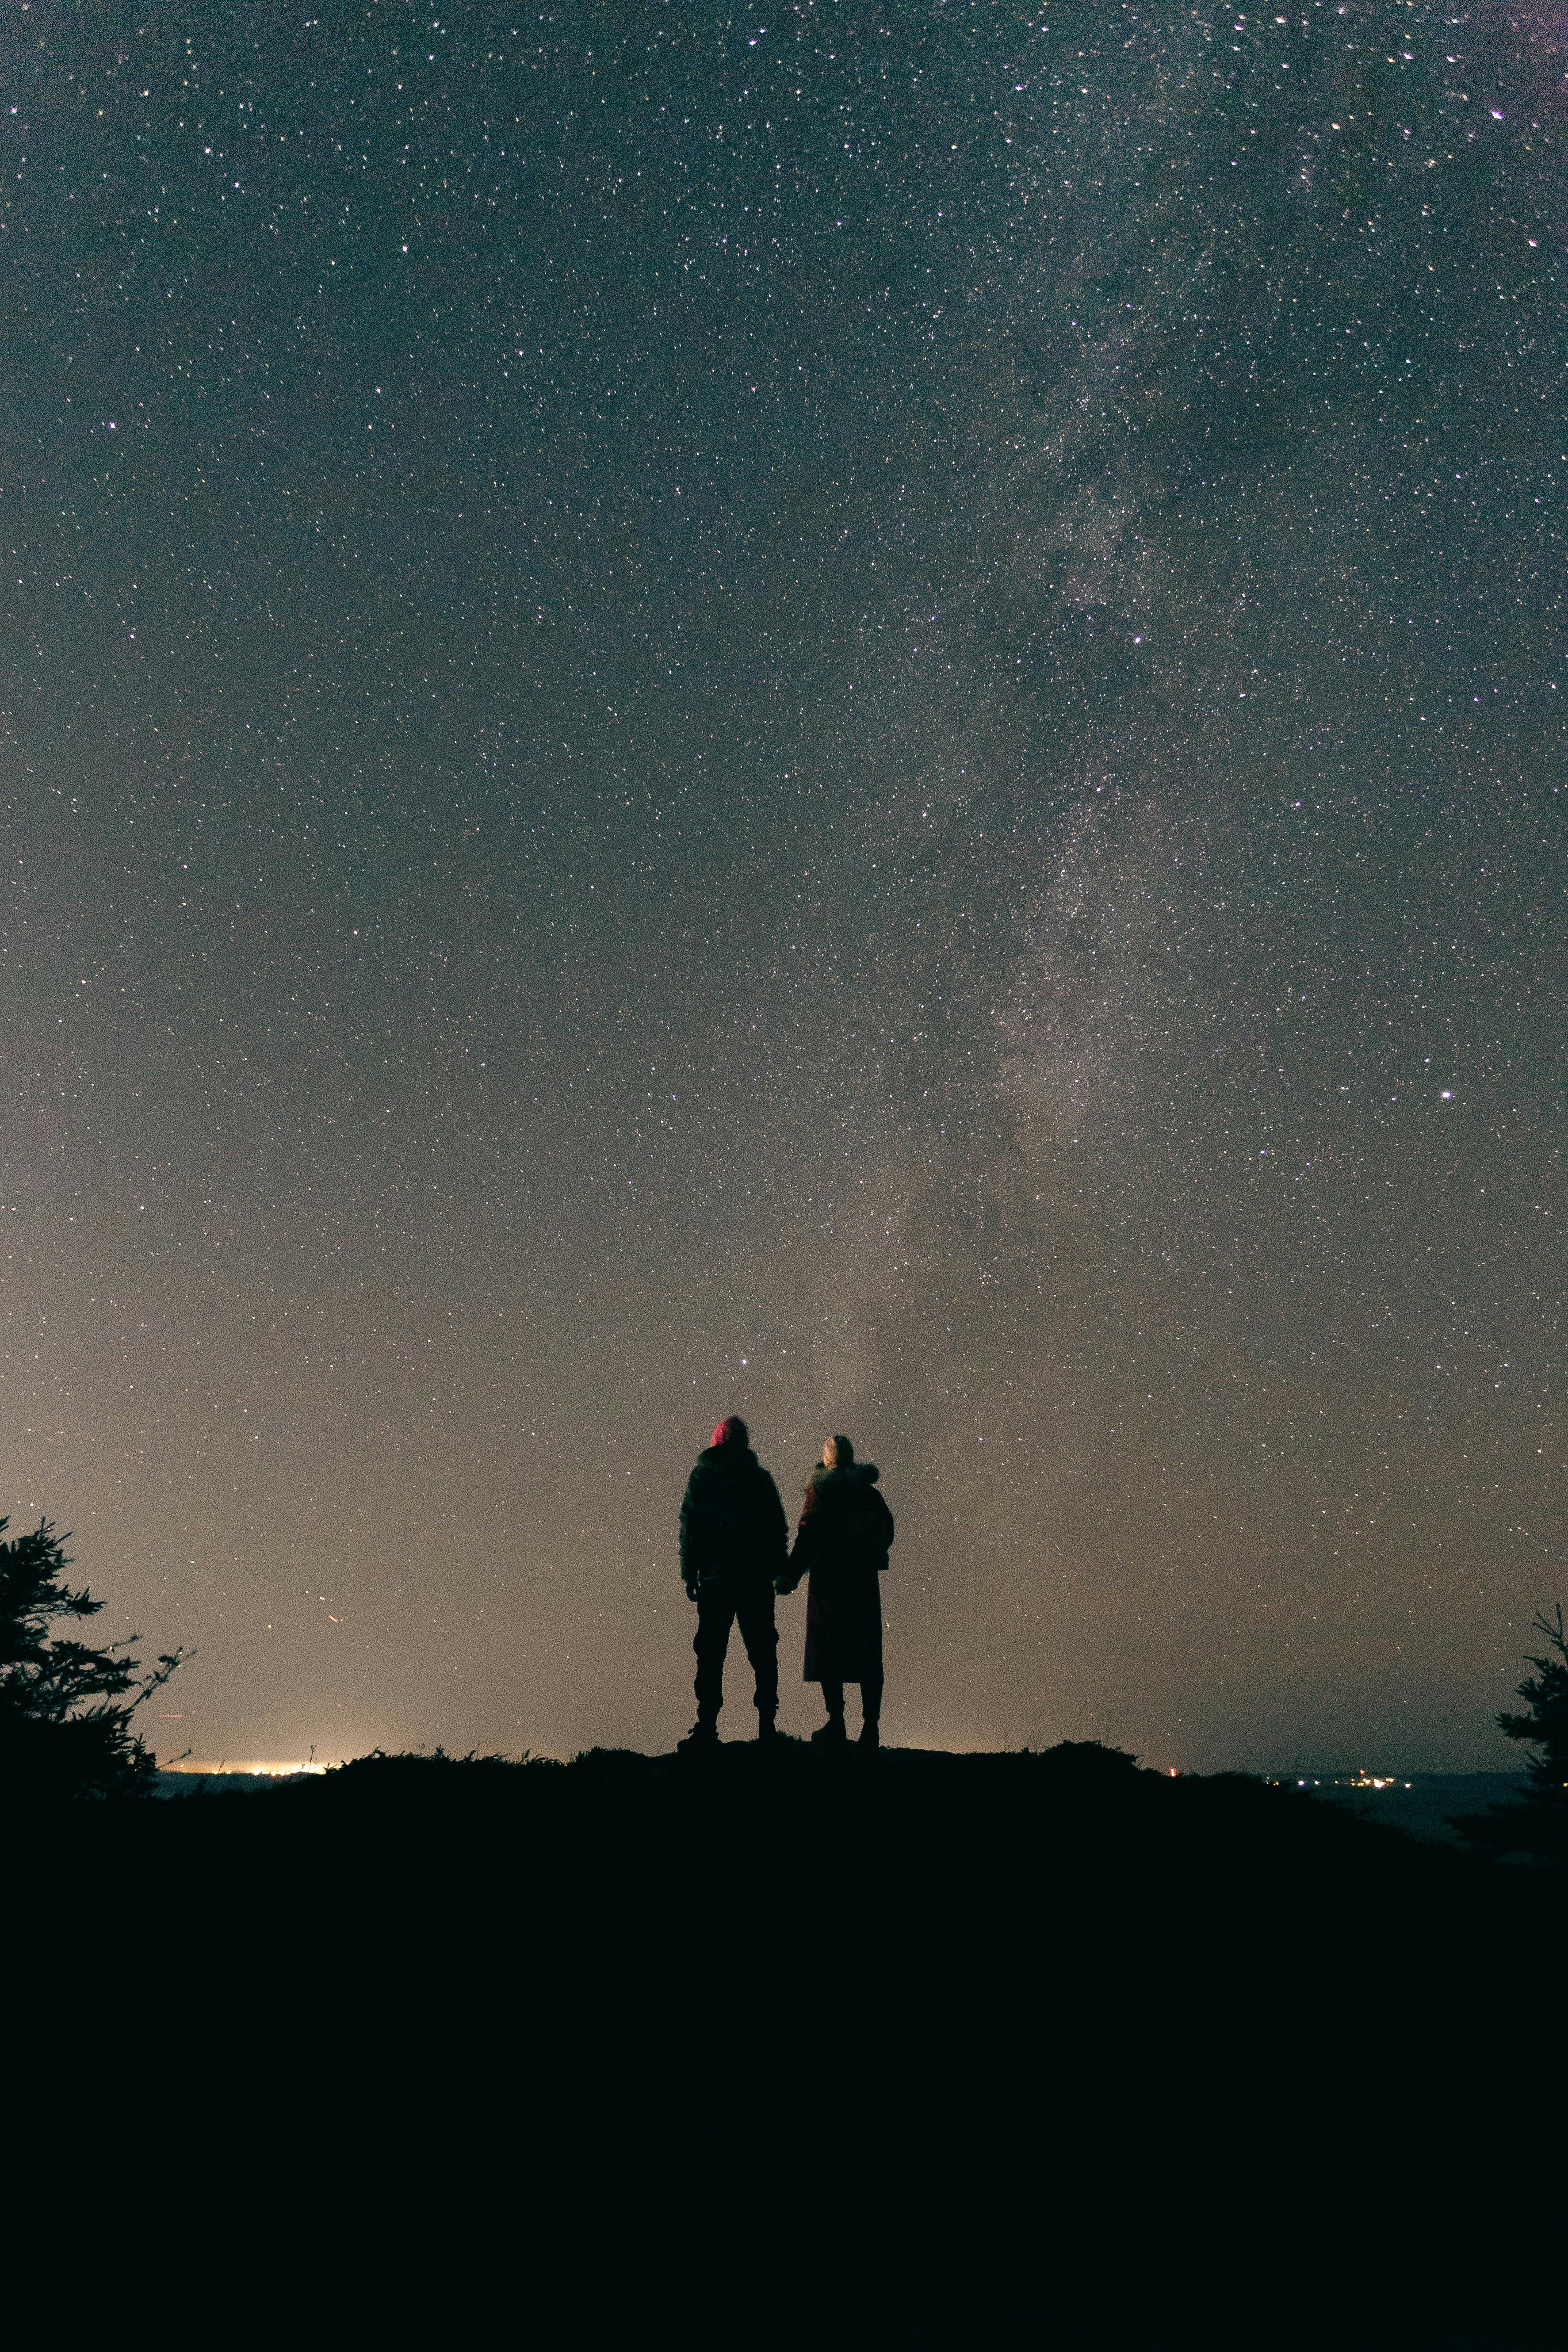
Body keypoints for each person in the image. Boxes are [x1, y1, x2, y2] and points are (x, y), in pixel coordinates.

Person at [677, 1415, 788, 1752]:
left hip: (716, 1577)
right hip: (755, 1578)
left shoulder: (703, 1476)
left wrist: (689, 1571)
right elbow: (777, 1529)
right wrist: (779, 1570)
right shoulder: (760, 1479)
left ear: (718, 1440)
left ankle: (707, 1727)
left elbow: (690, 1527)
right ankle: (767, 1726)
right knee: (763, 1651)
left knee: (710, 1655)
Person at [777, 1434, 895, 1748]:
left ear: (826, 1460)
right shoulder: (869, 1495)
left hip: (829, 1584)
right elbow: (887, 1530)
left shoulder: (821, 1493)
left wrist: (789, 1576)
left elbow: (807, 1537)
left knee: (829, 1651)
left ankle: (837, 1724)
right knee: (867, 1654)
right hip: (863, 1584)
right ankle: (871, 1728)